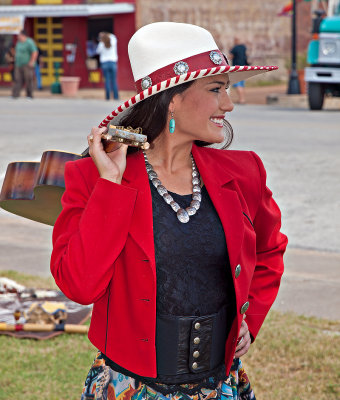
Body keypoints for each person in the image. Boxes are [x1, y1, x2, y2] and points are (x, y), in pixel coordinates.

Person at [50, 22, 287, 400]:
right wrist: (110, 186)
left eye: (227, 88)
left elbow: (270, 249)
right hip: (130, 388)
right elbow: (79, 285)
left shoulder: (245, 173)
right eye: (216, 89)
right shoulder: (92, 177)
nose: (228, 103)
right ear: (172, 99)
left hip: (220, 386)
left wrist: (250, 318)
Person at [12, 30, 38, 99]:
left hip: (27, 64)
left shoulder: (29, 42)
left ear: (23, 35)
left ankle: (29, 95)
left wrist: (32, 61)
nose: (18, 36)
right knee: (17, 79)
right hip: (18, 64)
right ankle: (15, 94)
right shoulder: (19, 43)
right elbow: (17, 52)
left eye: (19, 35)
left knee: (28, 79)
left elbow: (34, 52)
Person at [96, 32, 119, 100]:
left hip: (105, 63)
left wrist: (101, 38)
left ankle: (108, 97)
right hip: (113, 62)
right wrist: (106, 34)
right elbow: (114, 37)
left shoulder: (101, 44)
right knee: (114, 81)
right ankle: (116, 97)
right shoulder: (113, 41)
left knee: (107, 81)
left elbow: (97, 52)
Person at [229, 38, 248, 104]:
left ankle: (241, 99)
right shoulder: (244, 47)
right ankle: (242, 98)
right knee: (242, 85)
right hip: (244, 67)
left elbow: (230, 56)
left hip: (237, 68)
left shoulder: (235, 48)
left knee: (238, 84)